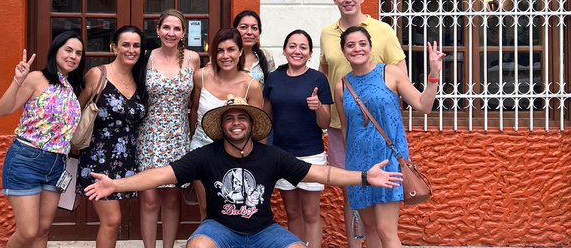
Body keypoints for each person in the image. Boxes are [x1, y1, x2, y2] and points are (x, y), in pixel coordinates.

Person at [84, 96, 403, 248]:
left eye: (242, 118)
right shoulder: (205, 157)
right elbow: (159, 175)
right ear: (223, 127)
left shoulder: (272, 156)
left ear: (251, 125)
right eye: (229, 119)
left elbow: (323, 175)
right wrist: (116, 184)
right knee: (196, 247)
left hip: (264, 231)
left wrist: (364, 176)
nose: (236, 122)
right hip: (220, 228)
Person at [335, 26, 444, 248]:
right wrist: (349, 171)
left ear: (371, 47)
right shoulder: (341, 86)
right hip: (358, 167)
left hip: (388, 161)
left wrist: (434, 74)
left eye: (362, 44)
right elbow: (347, 129)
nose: (357, 49)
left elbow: (424, 106)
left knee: (386, 230)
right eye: (351, 45)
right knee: (371, 230)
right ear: (344, 52)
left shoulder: (390, 73)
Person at [318, 0, 407, 247]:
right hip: (341, 126)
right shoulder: (326, 34)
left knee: (382, 197)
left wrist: (390, 118)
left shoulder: (382, 30)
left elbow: (399, 73)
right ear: (335, 0)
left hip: (378, 131)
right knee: (352, 191)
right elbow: (325, 71)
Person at [0, 30, 85, 248]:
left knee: (43, 230)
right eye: (68, 50)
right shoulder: (37, 78)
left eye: (78, 53)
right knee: (28, 232)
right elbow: (3, 110)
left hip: (56, 164)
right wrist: (17, 81)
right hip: (26, 159)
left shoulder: (72, 87)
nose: (73, 56)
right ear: (55, 50)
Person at [75, 25, 148, 248]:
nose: (131, 50)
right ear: (114, 47)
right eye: (125, 44)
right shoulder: (98, 74)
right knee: (112, 219)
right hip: (98, 157)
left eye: (136, 45)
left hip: (128, 158)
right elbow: (76, 111)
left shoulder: (140, 79)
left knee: (116, 220)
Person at [137, 9, 201, 248]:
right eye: (166, 28)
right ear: (158, 30)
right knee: (150, 199)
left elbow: (196, 102)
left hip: (179, 135)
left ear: (183, 33)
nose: (171, 33)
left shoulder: (193, 59)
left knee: (172, 200)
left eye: (176, 29)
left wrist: (195, 136)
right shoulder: (145, 57)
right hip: (149, 135)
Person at [262, 30, 332, 248]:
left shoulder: (318, 79)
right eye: (292, 46)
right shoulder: (274, 79)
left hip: (311, 155)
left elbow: (325, 123)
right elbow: (266, 120)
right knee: (292, 213)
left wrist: (318, 107)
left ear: (310, 53)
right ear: (284, 51)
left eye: (303, 47)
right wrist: (262, 152)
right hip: (282, 155)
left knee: (311, 213)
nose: (297, 51)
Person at [189, 27, 263, 219]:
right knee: (206, 208)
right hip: (201, 148)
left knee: (233, 210)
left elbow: (258, 127)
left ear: (240, 51)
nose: (225, 55)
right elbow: (195, 110)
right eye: (220, 50)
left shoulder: (251, 86)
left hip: (236, 154)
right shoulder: (201, 76)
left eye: (231, 49)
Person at [233, 10, 275, 86]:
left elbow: (272, 85)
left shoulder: (266, 56)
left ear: (259, 33)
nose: (249, 32)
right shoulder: (227, 56)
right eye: (243, 27)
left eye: (254, 28)